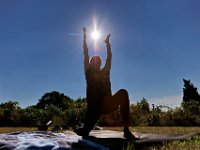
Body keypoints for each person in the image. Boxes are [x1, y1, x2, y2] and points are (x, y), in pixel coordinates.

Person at [74, 27, 138, 140]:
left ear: (100, 63)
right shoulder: (88, 73)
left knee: (123, 93)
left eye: (98, 61)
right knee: (84, 133)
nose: (96, 63)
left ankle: (126, 130)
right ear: (90, 63)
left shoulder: (105, 72)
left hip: (107, 104)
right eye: (94, 61)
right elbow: (86, 52)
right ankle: (84, 128)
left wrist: (108, 44)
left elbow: (109, 58)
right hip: (94, 109)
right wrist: (84, 36)